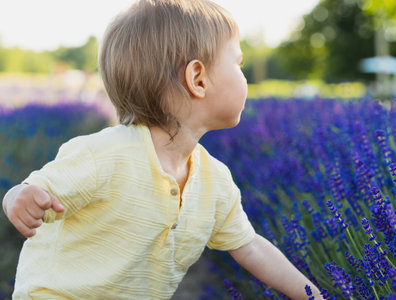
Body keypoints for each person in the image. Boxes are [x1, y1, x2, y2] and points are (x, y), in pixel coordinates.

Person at [2, 0, 323, 299]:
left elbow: (250, 246)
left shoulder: (215, 181)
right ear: (198, 78)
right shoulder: (105, 154)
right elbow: (36, 188)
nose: (243, 74)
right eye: (238, 62)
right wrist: (20, 197)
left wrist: (312, 294)